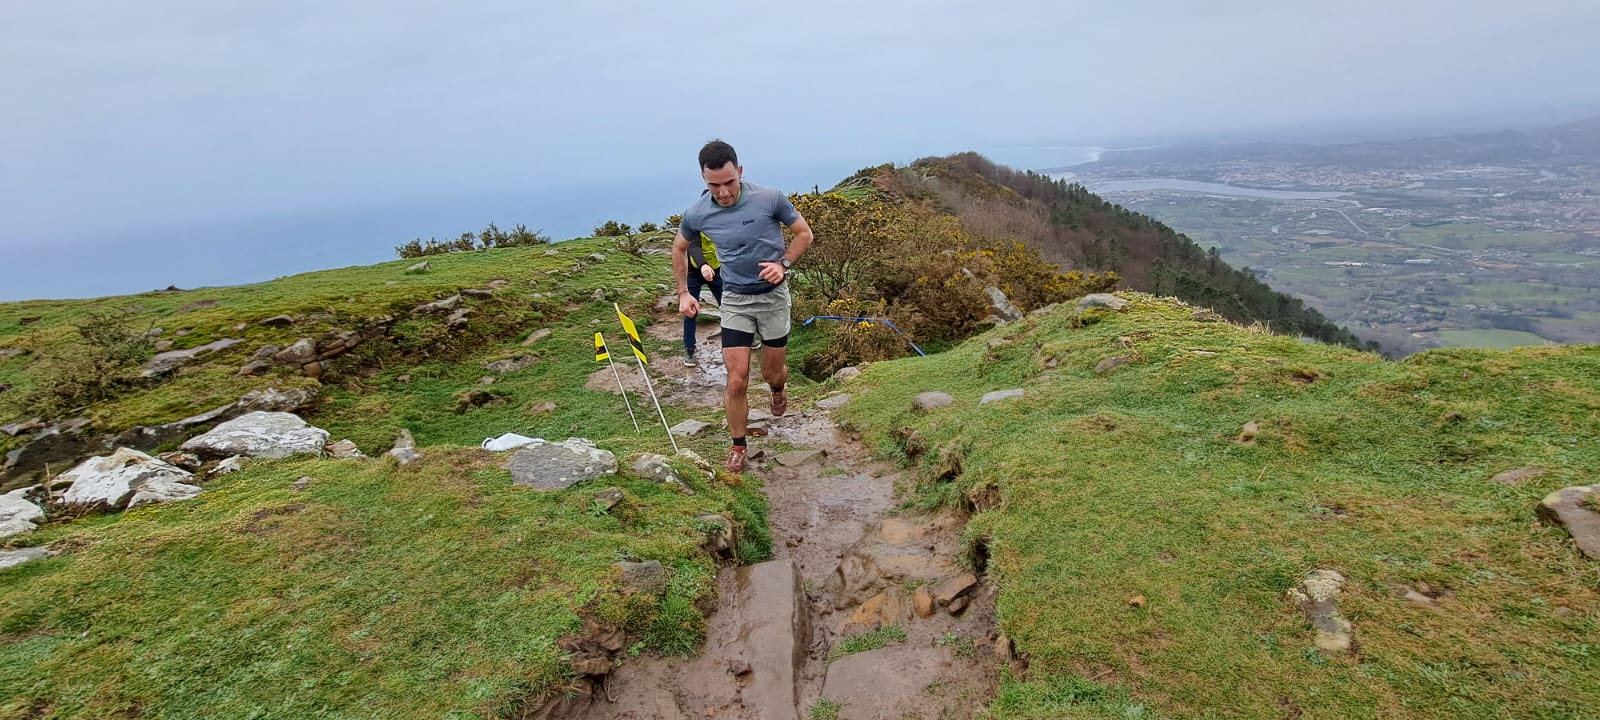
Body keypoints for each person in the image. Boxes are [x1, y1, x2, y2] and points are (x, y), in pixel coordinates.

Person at [673, 140, 813, 472]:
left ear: (739, 171)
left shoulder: (769, 198)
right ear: (703, 179)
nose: (723, 192)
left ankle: (778, 389)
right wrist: (683, 293)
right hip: (735, 298)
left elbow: (804, 233)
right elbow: (679, 248)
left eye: (729, 182)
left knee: (771, 372)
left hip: (772, 297)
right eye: (714, 185)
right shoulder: (697, 213)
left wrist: (783, 265)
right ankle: (738, 446)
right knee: (737, 379)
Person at [681, 232, 723, 368]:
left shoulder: (720, 224)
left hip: (716, 268)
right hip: (693, 272)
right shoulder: (694, 225)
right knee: (691, 311)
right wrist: (703, 265)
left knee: (729, 306)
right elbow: (693, 247)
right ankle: (689, 349)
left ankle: (744, 339)